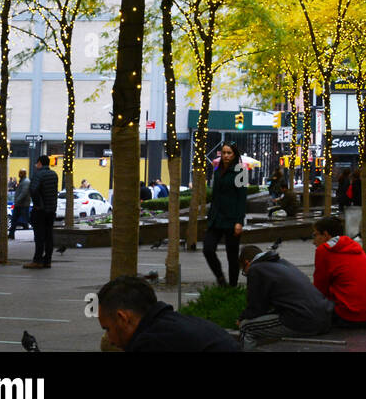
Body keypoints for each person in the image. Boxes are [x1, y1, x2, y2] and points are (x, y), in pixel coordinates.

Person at [98, 275, 239, 351]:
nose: (109, 340)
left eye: (108, 329)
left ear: (122, 318)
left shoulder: (152, 343)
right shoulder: (171, 324)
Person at [236, 245, 333, 349]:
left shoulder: (255, 269)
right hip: (326, 318)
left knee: (246, 327)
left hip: (305, 320)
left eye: (244, 271)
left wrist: (241, 318)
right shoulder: (282, 263)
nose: (246, 274)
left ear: (247, 263)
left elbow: (256, 308)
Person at [311, 216, 366, 326]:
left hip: (351, 315)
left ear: (326, 235)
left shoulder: (324, 250)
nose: (313, 241)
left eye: (315, 235)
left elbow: (320, 287)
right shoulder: (354, 246)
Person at [203, 143, 247, 287]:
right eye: (224, 152)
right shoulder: (218, 170)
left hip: (232, 219)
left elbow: (242, 198)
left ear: (234, 155)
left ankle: (232, 287)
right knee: (208, 249)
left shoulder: (241, 171)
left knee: (232, 256)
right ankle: (220, 278)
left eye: (229, 153)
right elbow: (215, 195)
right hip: (216, 218)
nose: (226, 155)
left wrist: (239, 221)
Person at [24, 155, 58, 269]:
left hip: (41, 210)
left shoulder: (38, 175)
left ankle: (37, 260)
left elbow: (33, 190)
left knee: (39, 236)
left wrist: (38, 204)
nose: (36, 165)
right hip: (51, 209)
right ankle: (47, 260)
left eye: (36, 163)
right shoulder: (54, 175)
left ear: (39, 163)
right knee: (49, 235)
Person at [9, 168, 31, 239]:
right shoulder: (22, 181)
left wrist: (18, 200)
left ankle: (38, 233)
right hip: (19, 204)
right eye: (19, 173)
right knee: (14, 219)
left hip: (23, 204)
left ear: (24, 174)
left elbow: (24, 193)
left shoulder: (26, 182)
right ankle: (11, 234)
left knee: (28, 219)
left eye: (21, 173)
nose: (19, 174)